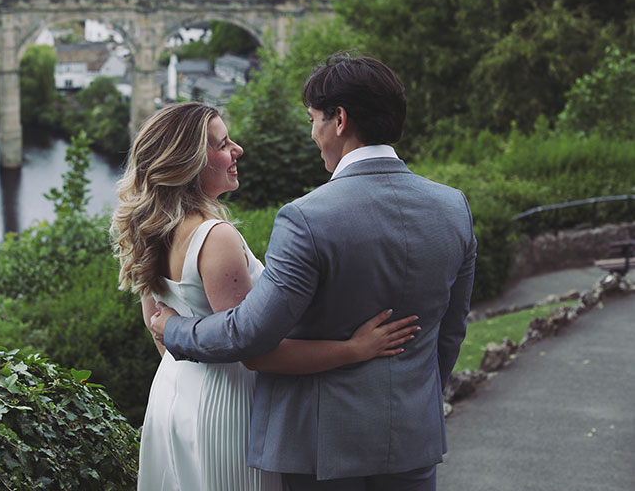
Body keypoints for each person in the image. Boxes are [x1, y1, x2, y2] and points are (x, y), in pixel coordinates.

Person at [150, 55, 477, 491]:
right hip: (411, 437)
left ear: (338, 120)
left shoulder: (306, 218)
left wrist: (174, 331)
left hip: (321, 447)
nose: (312, 133)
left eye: (312, 120)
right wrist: (417, 402)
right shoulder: (454, 207)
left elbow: (250, 334)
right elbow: (451, 333)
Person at [111, 102, 421, 491]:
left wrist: (190, 380)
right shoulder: (214, 236)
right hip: (227, 405)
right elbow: (256, 350)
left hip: (173, 392)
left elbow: (157, 329)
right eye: (223, 145)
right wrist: (355, 349)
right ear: (189, 161)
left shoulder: (152, 228)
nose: (237, 150)